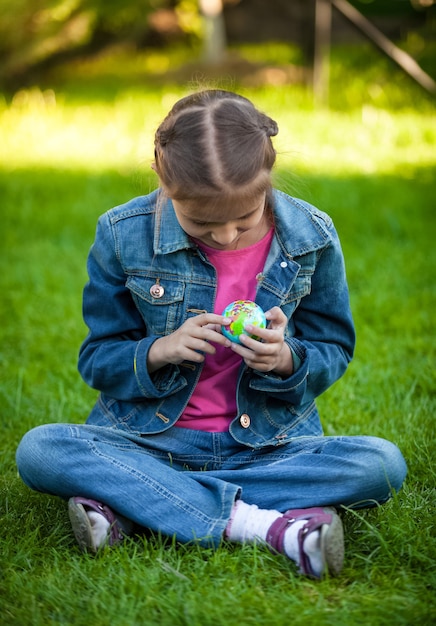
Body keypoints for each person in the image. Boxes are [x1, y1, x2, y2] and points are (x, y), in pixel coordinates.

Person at [16, 89, 407, 579]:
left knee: (382, 464)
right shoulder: (122, 235)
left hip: (267, 446)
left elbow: (334, 348)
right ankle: (268, 524)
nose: (224, 236)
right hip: (149, 439)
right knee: (40, 450)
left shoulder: (312, 236)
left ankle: (139, 501)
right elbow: (98, 358)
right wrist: (160, 350)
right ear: (162, 178)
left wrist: (286, 359)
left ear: (267, 179)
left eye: (244, 220)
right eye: (201, 222)